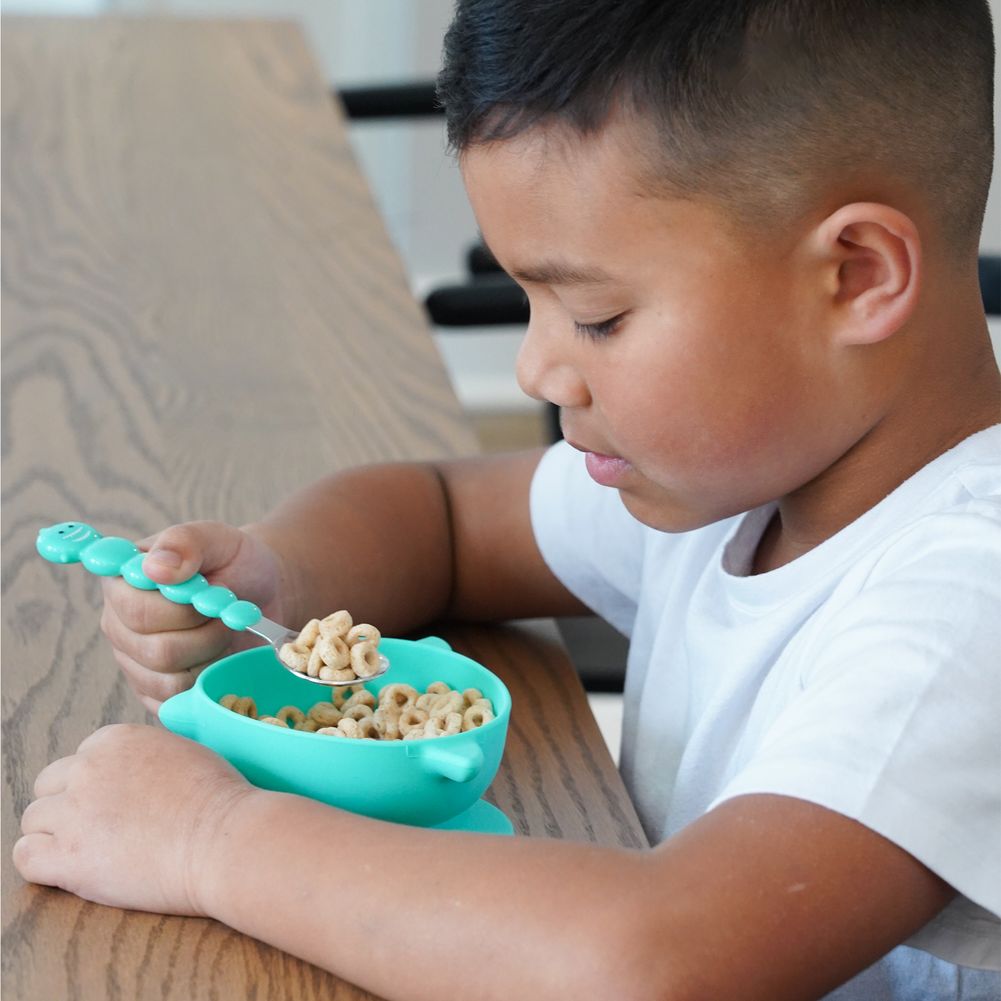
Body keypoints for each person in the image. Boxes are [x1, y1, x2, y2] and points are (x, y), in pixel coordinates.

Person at [13, 1, 1001, 997]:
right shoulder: (742, 472)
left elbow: (655, 963)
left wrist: (210, 838)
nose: (535, 368)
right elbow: (444, 519)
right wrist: (279, 577)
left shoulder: (964, 602)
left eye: (595, 317)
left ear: (855, 275)